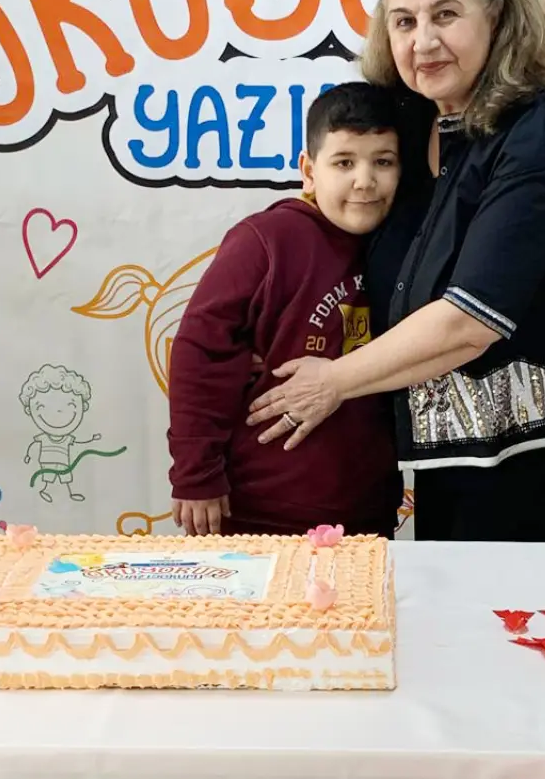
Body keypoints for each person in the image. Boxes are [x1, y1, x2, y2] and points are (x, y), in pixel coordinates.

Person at [247, 0, 545, 543]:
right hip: (442, 448)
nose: (422, 42)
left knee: (526, 610)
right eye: (404, 21)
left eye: (445, 15)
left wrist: (333, 381)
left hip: (541, 455)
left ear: (497, 16)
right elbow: (339, 250)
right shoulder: (408, 128)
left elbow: (469, 322)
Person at [168, 82, 403, 538]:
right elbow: (200, 353)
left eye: (383, 162)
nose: (364, 180)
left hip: (367, 512)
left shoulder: (403, 246)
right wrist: (196, 475)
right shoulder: (266, 241)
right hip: (259, 509)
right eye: (344, 162)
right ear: (309, 171)